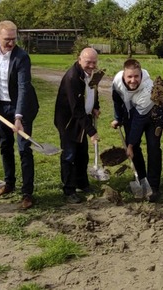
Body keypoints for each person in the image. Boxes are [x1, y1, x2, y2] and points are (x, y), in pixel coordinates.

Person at [0, 20, 39, 209]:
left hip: (22, 107)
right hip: (1, 107)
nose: (11, 43)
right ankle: (9, 184)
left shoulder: (22, 57)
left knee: (24, 148)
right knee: (5, 145)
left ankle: (27, 193)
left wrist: (19, 117)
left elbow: (23, 87)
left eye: (14, 39)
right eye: (7, 40)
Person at [111, 59, 163, 202]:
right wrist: (118, 118)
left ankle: (153, 186)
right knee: (134, 148)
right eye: (129, 77)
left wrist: (130, 145)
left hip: (154, 115)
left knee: (153, 147)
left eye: (136, 76)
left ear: (141, 75)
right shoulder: (117, 81)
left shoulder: (147, 90)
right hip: (133, 111)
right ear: (124, 75)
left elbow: (139, 123)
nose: (133, 80)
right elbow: (117, 100)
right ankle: (141, 179)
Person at [54, 48, 101, 204]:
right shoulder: (72, 78)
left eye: (94, 62)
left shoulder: (93, 74)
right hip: (69, 122)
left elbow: (94, 90)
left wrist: (96, 106)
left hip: (82, 119)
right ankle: (69, 190)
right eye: (88, 62)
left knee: (82, 155)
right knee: (69, 156)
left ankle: (82, 184)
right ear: (79, 60)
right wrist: (91, 131)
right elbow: (76, 110)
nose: (92, 65)